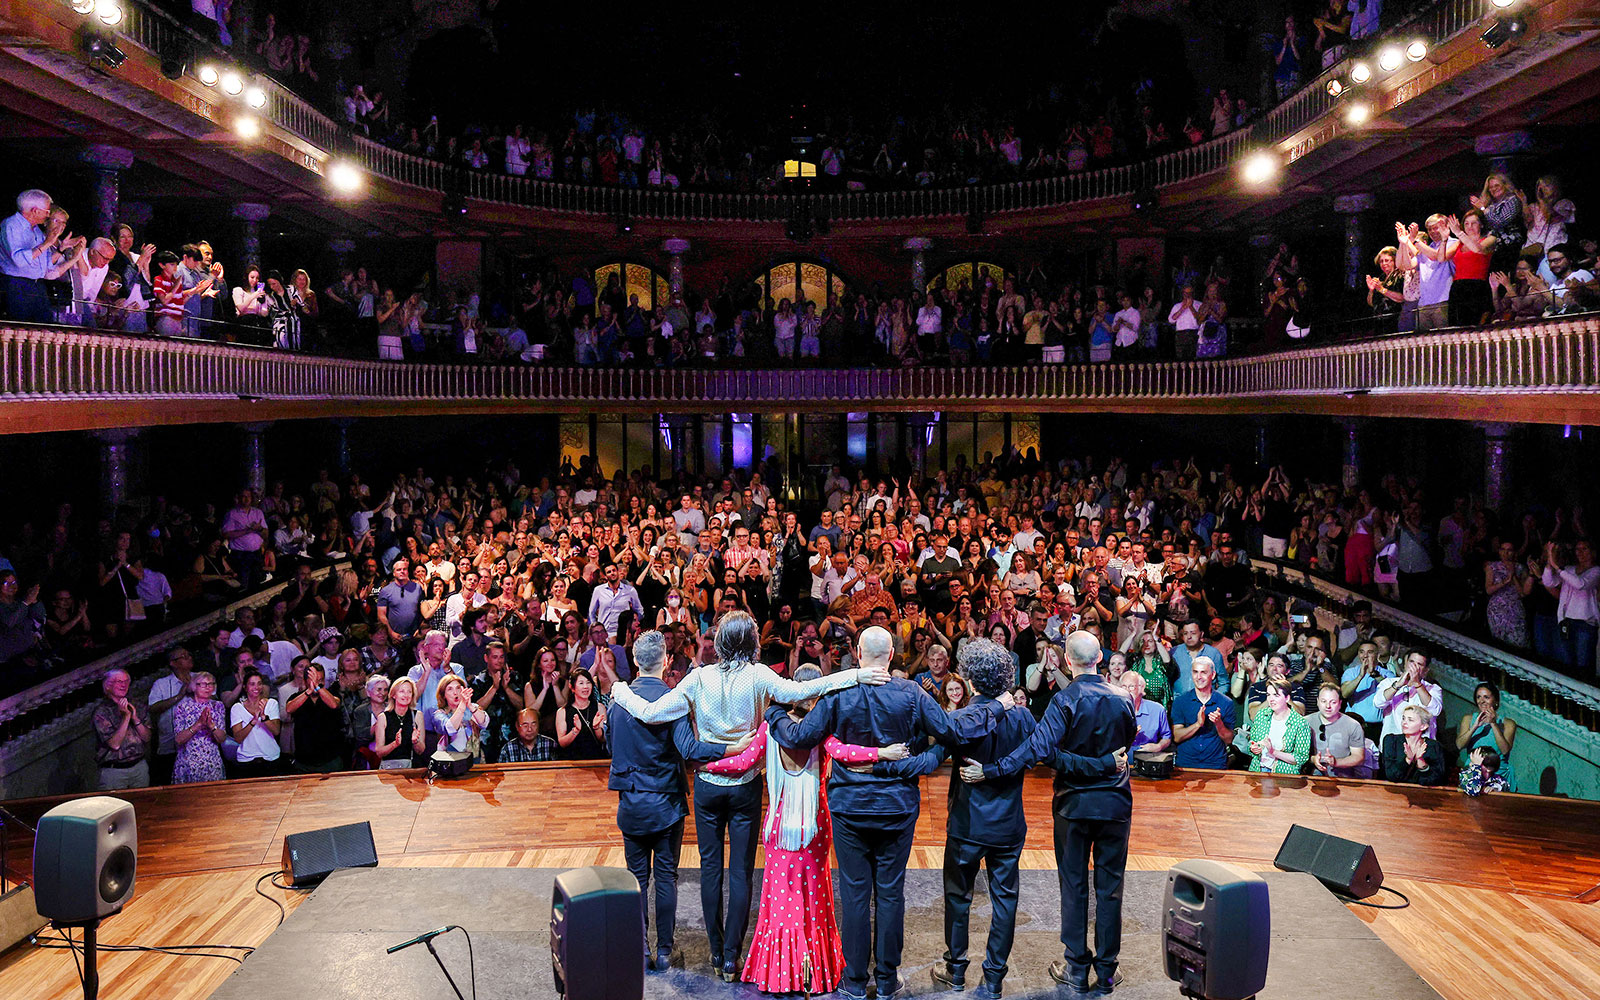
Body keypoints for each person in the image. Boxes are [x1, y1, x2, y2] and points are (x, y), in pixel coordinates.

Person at [604, 611, 889, 985]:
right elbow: (803, 691)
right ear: (752, 641)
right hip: (745, 786)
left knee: (710, 870)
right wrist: (855, 674)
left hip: (708, 784)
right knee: (739, 872)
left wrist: (620, 689)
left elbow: (652, 713)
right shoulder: (759, 676)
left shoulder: (699, 677)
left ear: (719, 641)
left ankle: (717, 950)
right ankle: (731, 960)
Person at [761, 624, 1000, 1000]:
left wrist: (772, 713)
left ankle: (855, 982)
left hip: (849, 809)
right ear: (891, 656)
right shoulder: (910, 693)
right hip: (897, 808)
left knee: (855, 894)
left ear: (857, 652)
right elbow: (951, 731)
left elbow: (799, 737)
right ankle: (887, 980)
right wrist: (941, 749)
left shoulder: (839, 692)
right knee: (890, 894)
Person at [701, 671, 898, 994]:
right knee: (813, 900)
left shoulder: (770, 728)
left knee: (779, 902)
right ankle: (814, 969)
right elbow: (846, 752)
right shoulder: (821, 730)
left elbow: (742, 763)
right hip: (814, 828)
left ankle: (779, 973)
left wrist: (705, 766)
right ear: (815, 695)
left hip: (778, 829)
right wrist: (882, 753)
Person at [963, 630, 1133, 997]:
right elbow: (1124, 751)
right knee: (1111, 889)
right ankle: (1105, 972)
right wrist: (1103, 763)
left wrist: (991, 771)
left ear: (1067, 662)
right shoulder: (1124, 698)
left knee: (1073, 886)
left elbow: (1038, 751)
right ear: (1100, 657)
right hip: (1116, 805)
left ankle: (1076, 968)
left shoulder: (1064, 700)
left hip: (1073, 806)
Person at [871, 640, 1035, 999]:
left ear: (972, 680)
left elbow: (930, 761)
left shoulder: (959, 720)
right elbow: (1031, 758)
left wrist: (887, 763)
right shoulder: (1022, 716)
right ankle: (993, 978)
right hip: (1008, 826)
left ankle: (956, 969)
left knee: (958, 898)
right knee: (1005, 900)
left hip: (967, 824)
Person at [607, 630, 740, 973]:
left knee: (636, 878)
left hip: (631, 803)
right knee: (665, 877)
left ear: (635, 661)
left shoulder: (617, 702)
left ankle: (638, 951)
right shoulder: (673, 699)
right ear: (666, 661)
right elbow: (690, 750)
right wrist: (731, 748)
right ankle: (664, 952)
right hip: (665, 805)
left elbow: (613, 747)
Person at [1170, 656, 1236, 770]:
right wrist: (1197, 725)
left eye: (1203, 672)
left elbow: (1229, 739)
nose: (1199, 677)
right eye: (1195, 672)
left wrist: (1219, 723)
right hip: (1186, 764)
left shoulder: (1226, 703)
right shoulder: (1181, 701)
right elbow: (1177, 737)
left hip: (1215, 764)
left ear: (1213, 675)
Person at [92, 667, 152, 790]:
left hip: (139, 766)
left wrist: (135, 719)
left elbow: (147, 737)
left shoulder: (137, 705)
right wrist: (126, 717)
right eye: (119, 681)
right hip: (114, 771)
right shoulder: (102, 712)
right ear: (108, 686)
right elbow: (114, 745)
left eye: (126, 682)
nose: (123, 685)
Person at [1454, 682, 1518, 793]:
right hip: (1474, 771)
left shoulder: (1508, 723)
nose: (1481, 701)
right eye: (1478, 697)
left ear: (1496, 701)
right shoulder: (1468, 719)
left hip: (1498, 775)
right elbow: (1459, 745)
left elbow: (1505, 749)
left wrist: (1493, 724)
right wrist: (1475, 726)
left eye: (1486, 697)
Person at [171, 671, 228, 783]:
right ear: (193, 686)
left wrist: (211, 726)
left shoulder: (218, 706)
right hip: (188, 763)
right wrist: (198, 724)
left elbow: (222, 739)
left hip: (212, 762)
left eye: (211, 684)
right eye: (203, 684)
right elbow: (178, 739)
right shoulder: (183, 707)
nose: (207, 687)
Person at [1372, 650, 1442, 739]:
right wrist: (1397, 685)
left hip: (1422, 746)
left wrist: (1418, 684)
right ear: (1405, 663)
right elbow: (1378, 703)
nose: (1413, 667)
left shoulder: (1433, 688)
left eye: (1419, 664)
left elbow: (1435, 710)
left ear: (1425, 671)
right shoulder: (1389, 682)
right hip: (1393, 744)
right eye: (1411, 662)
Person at [1246, 679, 1311, 774]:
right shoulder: (1261, 715)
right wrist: (1254, 748)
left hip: (1284, 774)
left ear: (1287, 698)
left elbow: (1300, 758)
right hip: (1257, 770)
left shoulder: (1300, 723)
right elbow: (1251, 742)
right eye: (1268, 695)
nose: (1271, 699)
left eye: (1276, 695)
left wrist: (1273, 752)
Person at [1308, 684, 1373, 779]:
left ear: (1340, 703)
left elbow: (1358, 757)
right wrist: (1313, 759)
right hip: (1311, 777)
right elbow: (1296, 754)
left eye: (1333, 702)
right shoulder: (1305, 722)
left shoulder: (1353, 725)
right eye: (1323, 701)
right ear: (1317, 701)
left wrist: (1336, 762)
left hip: (1342, 778)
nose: (1328, 706)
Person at [229, 670, 283, 777]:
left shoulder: (271, 703)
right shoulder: (237, 708)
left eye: (259, 683)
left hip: (270, 758)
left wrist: (264, 717)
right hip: (246, 761)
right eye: (252, 684)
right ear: (245, 687)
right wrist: (253, 721)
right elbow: (238, 738)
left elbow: (276, 731)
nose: (256, 687)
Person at [1381, 705, 1446, 786]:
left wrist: (1420, 760)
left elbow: (1435, 780)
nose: (1404, 722)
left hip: (1423, 794)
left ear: (1423, 726)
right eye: (1403, 718)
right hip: (1394, 792)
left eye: (1410, 720)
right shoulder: (1391, 741)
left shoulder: (1434, 746)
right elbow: (1392, 776)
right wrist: (1408, 760)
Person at [372, 676, 426, 768]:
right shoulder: (383, 717)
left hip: (411, 768)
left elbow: (421, 750)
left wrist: (415, 741)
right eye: (402, 691)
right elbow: (379, 752)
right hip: (388, 769)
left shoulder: (417, 716)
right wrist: (395, 744)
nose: (406, 695)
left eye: (409, 692)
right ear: (393, 695)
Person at [431, 672, 488, 756]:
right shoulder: (439, 715)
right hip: (450, 761)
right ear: (443, 695)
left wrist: (469, 706)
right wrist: (462, 705)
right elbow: (450, 728)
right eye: (450, 689)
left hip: (474, 758)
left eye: (458, 688)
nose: (455, 692)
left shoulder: (473, 708)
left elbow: (484, 723)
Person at [1120, 671, 1171, 753]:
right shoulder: (1113, 710)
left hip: (1148, 759)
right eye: (1124, 687)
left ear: (1141, 688)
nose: (1127, 691)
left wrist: (1159, 746)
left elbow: (1166, 737)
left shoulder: (1157, 710)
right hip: (1121, 761)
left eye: (1131, 687)